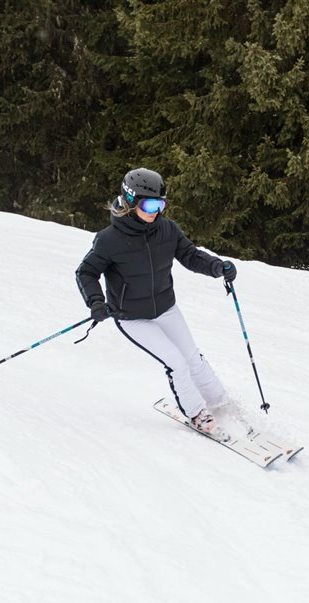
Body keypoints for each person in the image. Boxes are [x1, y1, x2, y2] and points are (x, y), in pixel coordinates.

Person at [76, 167, 238, 439]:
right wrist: (96, 302)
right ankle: (198, 413)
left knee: (193, 358)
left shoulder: (167, 229)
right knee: (177, 363)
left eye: (161, 204)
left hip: (165, 307)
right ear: (130, 201)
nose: (156, 211)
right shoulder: (109, 240)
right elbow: (86, 272)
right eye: (150, 204)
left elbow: (189, 255)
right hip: (132, 316)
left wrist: (217, 267)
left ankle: (221, 404)